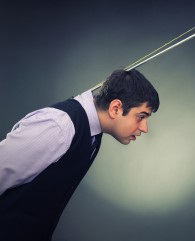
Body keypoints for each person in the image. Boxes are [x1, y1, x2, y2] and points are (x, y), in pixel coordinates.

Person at [0, 69, 160, 241]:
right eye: (141, 116)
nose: (145, 128)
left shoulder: (94, 133)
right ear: (115, 108)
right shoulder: (59, 125)